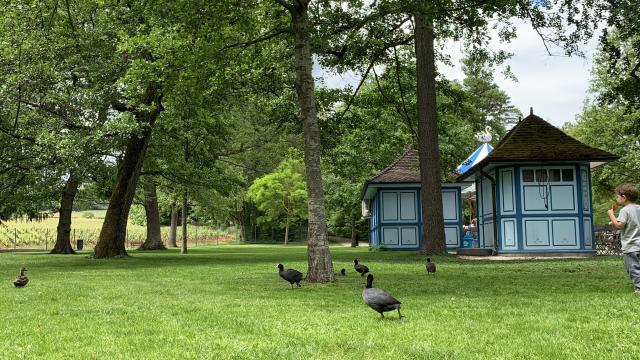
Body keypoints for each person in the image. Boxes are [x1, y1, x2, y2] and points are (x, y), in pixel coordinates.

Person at [607, 183, 640, 295]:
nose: (616, 199)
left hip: (631, 246)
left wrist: (611, 215)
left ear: (624, 197)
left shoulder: (625, 210)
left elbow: (620, 225)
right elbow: (632, 222)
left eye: (617, 197)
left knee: (633, 268)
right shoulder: (638, 208)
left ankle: (639, 289)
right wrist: (615, 221)